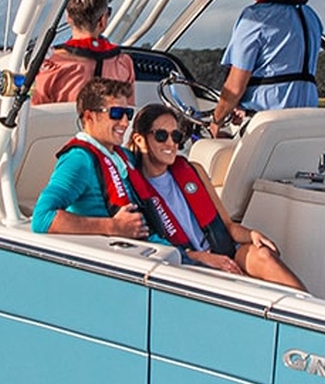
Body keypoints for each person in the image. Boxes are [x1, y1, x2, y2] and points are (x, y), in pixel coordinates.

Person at [128, 103, 307, 290]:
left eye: (176, 136)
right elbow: (151, 245)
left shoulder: (194, 170)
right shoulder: (135, 189)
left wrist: (252, 235)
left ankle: (307, 305)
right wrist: (202, 257)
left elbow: (228, 226)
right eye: (161, 136)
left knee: (264, 255)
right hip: (187, 264)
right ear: (140, 140)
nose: (171, 143)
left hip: (224, 251)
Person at [211, 0, 322, 128]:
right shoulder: (311, 16)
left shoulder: (254, 18)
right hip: (307, 122)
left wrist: (216, 122)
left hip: (269, 124)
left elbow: (235, 87)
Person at [31, 78, 149, 239]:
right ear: (89, 117)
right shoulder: (78, 159)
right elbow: (42, 218)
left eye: (128, 114)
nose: (125, 123)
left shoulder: (123, 156)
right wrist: (114, 226)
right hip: (120, 249)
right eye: (116, 114)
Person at [30, 0, 136, 105]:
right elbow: (130, 109)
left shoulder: (51, 65)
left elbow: (35, 111)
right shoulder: (123, 64)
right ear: (103, 20)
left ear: (68, 17)